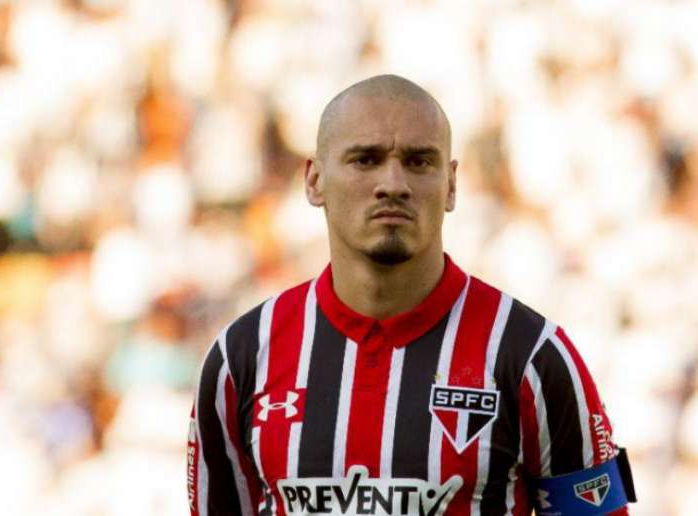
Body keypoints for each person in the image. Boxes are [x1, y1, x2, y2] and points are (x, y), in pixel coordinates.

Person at [187, 75, 635, 515]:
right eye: (365, 159)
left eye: (420, 161)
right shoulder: (241, 357)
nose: (394, 183)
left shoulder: (532, 355)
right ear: (314, 181)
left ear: (451, 184)